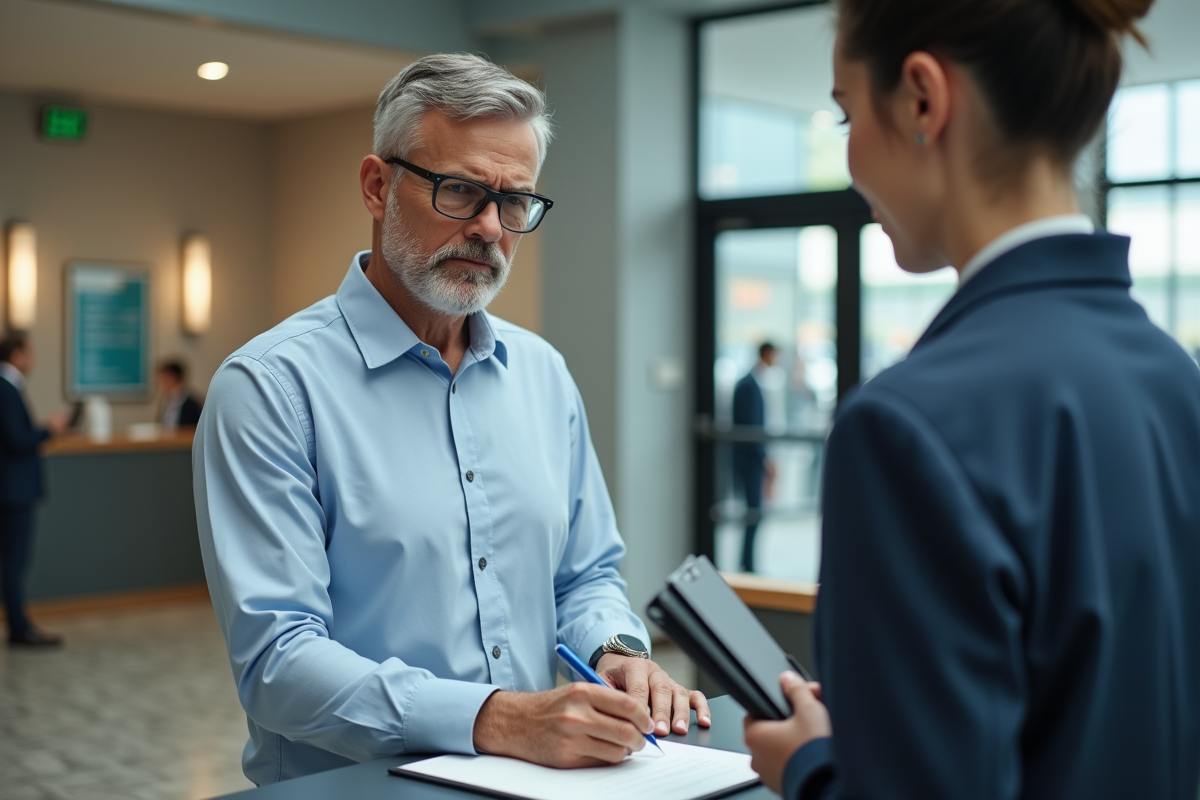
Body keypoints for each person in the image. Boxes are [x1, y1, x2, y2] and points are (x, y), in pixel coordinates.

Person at [194, 53, 708, 785]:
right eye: (461, 191)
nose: (491, 229)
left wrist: (617, 652)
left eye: (515, 202)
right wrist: (495, 719)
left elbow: (586, 575)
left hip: (536, 781)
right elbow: (279, 660)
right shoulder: (271, 389)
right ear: (378, 186)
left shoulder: (543, 375)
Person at [743, 1, 1200, 798]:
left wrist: (812, 770)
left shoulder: (908, 425)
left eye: (846, 111)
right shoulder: (1171, 377)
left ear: (922, 98)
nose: (850, 157)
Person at [0, 334, 67, 646]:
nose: (34, 359)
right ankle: (19, 627)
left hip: (11, 490)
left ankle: (18, 624)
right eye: (30, 352)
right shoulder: (7, 389)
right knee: (14, 561)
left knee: (11, 560)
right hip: (14, 490)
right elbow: (18, 440)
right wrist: (48, 430)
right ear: (17, 355)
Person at [731, 342, 777, 572]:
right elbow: (750, 428)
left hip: (748, 459)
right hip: (748, 460)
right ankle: (747, 566)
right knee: (753, 513)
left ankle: (747, 563)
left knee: (753, 513)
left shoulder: (750, 383)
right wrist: (765, 460)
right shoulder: (749, 385)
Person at [156, 359, 202, 430]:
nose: (161, 383)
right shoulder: (167, 401)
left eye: (164, 377)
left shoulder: (191, 405)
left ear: (172, 377)